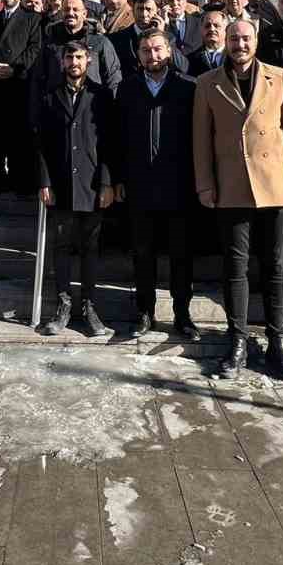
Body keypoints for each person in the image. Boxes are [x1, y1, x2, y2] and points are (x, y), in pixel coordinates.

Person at [193, 19, 283, 381]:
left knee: (275, 266)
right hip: (231, 187)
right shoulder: (207, 82)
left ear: (255, 41)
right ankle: (238, 342)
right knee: (235, 267)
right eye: (233, 39)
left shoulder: (279, 76)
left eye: (245, 38)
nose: (240, 44)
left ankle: (277, 344)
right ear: (225, 43)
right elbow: (201, 140)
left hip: (275, 184)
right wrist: (205, 185)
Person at [113, 30, 198, 340]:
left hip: (179, 186)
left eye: (158, 49)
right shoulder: (127, 89)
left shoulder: (188, 87)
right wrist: (119, 178)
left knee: (181, 254)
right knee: (142, 252)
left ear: (170, 51)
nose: (153, 56)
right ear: (139, 55)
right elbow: (117, 137)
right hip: (140, 186)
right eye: (146, 50)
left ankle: (182, 315)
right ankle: (144, 312)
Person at [34, 40, 116, 337]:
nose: (74, 61)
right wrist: (44, 181)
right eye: (69, 56)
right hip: (61, 183)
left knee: (90, 247)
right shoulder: (50, 97)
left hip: (92, 184)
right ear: (63, 61)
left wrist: (107, 183)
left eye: (79, 56)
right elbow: (42, 144)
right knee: (62, 246)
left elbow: (109, 143)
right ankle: (64, 304)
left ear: (89, 60)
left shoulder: (102, 97)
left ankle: (90, 306)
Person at [0, 0, 43, 197]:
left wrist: (14, 69)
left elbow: (34, 48)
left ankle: (21, 182)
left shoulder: (32, 18)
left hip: (19, 84)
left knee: (20, 138)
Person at [32, 0, 121, 114]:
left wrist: (112, 109)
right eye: (66, 9)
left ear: (84, 14)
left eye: (75, 9)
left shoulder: (100, 43)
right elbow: (38, 81)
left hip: (93, 111)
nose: (70, 13)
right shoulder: (50, 44)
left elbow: (113, 78)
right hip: (56, 113)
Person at [111, 0, 187, 75]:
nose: (144, 14)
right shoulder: (117, 38)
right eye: (140, 9)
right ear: (133, 10)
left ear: (157, 11)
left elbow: (182, 67)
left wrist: (161, 35)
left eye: (148, 9)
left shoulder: (169, 37)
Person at [188, 8, 229, 72]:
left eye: (216, 26)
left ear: (226, 29)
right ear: (201, 30)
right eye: (207, 26)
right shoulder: (191, 59)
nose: (212, 29)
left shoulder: (234, 55)